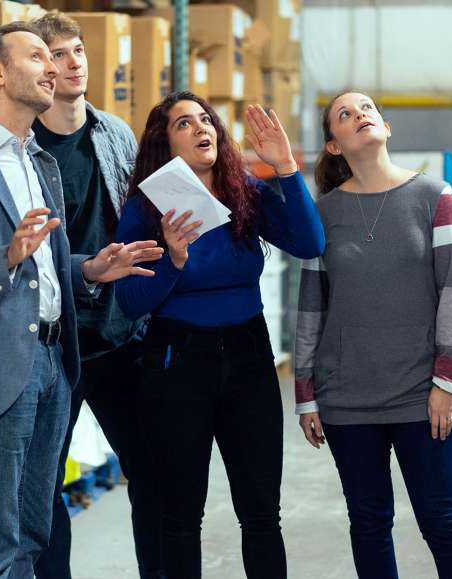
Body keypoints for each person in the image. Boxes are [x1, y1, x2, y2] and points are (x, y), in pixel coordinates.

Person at [0, 23, 162, 578]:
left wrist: (91, 267)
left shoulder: (37, 162)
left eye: (59, 57)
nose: (54, 68)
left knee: (31, 531)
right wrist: (4, 257)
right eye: (39, 57)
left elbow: (41, 267)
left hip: (52, 360)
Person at [115, 91, 325, 579]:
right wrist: (173, 260)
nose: (201, 128)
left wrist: (287, 168)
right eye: (184, 124)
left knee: (261, 514)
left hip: (249, 357)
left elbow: (310, 242)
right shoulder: (146, 213)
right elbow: (130, 304)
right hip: (177, 362)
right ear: (164, 144)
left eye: (206, 120)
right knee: (181, 517)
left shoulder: (244, 192)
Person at [294, 91, 452, 579]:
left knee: (444, 522)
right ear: (334, 146)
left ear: (386, 126)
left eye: (367, 109)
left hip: (422, 396)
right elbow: (311, 304)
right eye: (345, 114)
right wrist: (306, 395)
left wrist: (447, 382)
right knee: (369, 524)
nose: (360, 116)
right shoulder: (322, 214)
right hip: (346, 400)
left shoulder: (436, 197)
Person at [25, 13, 164, 579]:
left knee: (152, 475)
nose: (73, 61)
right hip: (53, 343)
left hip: (118, 334)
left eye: (78, 50)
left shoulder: (115, 134)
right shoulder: (22, 148)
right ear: (37, 68)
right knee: (41, 487)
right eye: (57, 53)